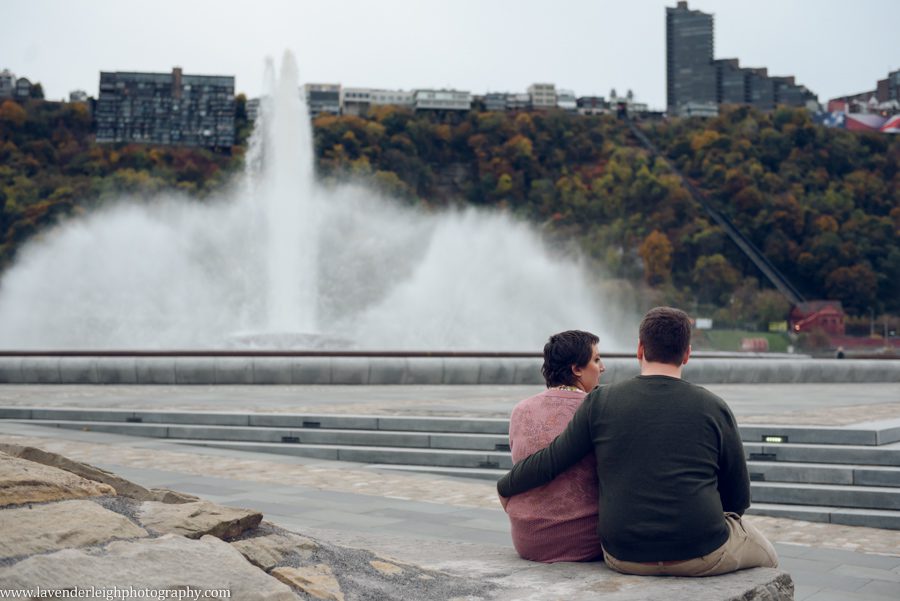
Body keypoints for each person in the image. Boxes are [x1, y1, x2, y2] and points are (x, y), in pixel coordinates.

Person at [498, 307, 778, 577]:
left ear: (640, 349)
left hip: (623, 554)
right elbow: (738, 498)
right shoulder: (714, 407)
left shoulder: (600, 402)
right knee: (768, 558)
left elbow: (552, 460)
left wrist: (505, 485)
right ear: (687, 354)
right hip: (700, 550)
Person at [503, 330, 605, 562]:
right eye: (596, 359)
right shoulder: (596, 409)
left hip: (527, 539)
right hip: (584, 540)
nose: (602, 367)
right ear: (576, 369)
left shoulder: (521, 409)